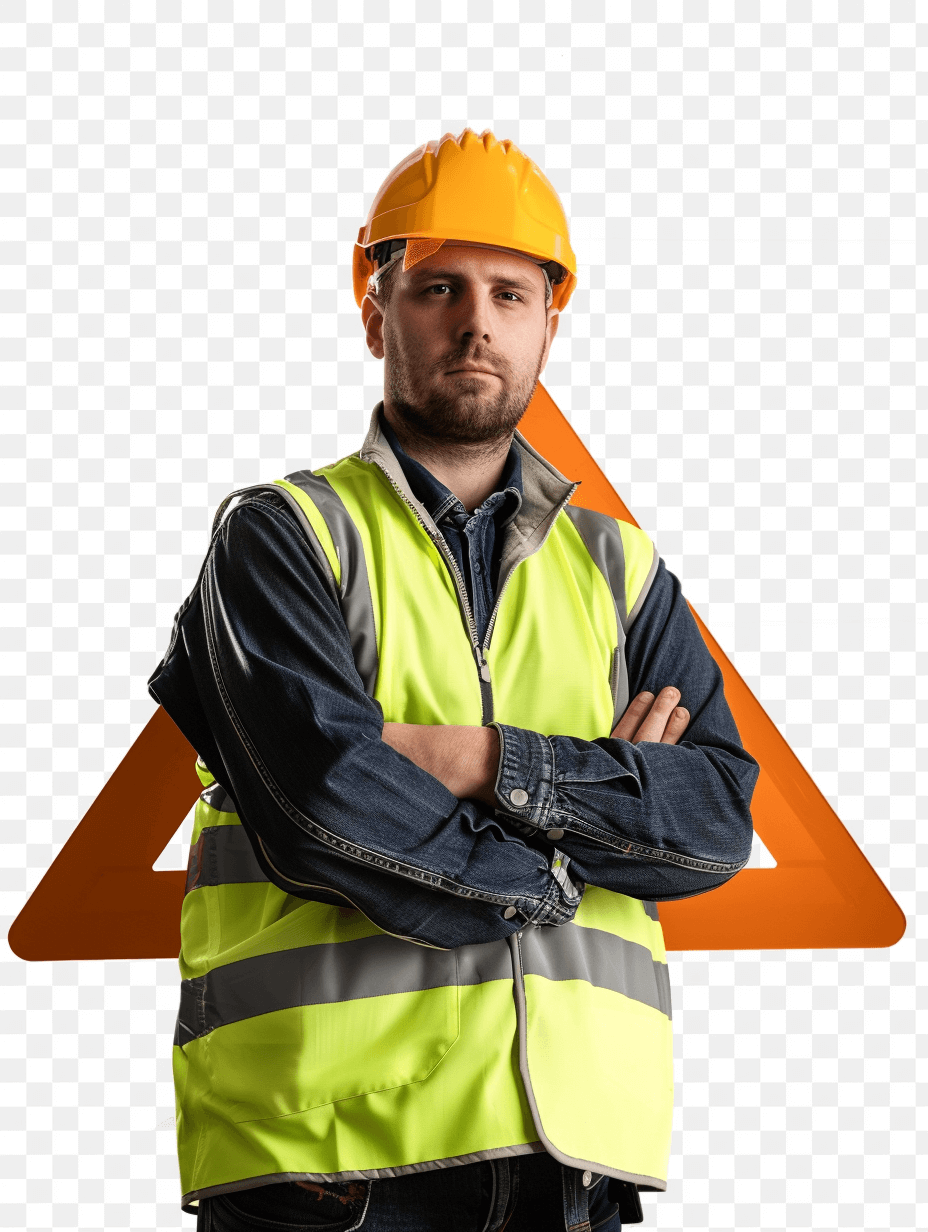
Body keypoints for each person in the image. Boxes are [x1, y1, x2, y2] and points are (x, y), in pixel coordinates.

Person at [149, 129, 758, 1232]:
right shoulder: (284, 536)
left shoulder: (619, 568)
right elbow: (325, 809)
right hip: (325, 1162)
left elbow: (713, 822)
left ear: (549, 325)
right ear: (375, 309)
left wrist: (481, 760)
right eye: (438, 288)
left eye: (509, 294)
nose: (477, 322)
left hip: (571, 1166)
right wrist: (564, 861)